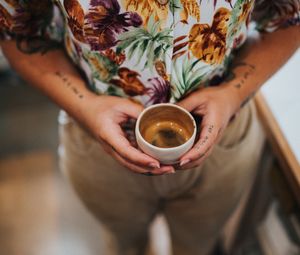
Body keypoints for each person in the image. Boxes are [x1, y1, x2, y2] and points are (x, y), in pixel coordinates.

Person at [0, 0, 299, 254]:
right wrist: (85, 106)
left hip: (223, 143)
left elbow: (290, 18)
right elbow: (17, 31)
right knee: (125, 245)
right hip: (98, 148)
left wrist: (232, 93)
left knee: (197, 246)